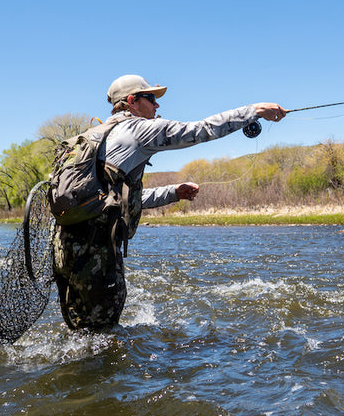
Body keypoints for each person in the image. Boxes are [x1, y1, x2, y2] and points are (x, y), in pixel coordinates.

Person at [52, 74, 287, 332]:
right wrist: (255, 110)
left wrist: (173, 192)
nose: (157, 106)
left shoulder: (96, 135)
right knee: (102, 334)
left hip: (65, 247)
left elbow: (115, 200)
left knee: (80, 330)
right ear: (132, 101)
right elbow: (201, 130)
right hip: (96, 250)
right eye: (151, 98)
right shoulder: (138, 129)